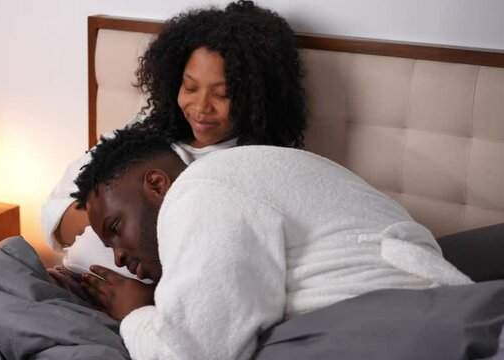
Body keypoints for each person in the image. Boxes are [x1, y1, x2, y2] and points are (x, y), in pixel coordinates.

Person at [75, 126, 472, 360]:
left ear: (158, 184)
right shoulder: (249, 173)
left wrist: (133, 314)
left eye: (115, 227)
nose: (120, 256)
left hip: (391, 328)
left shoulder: (198, 192)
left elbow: (194, 353)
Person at [41, 1, 306, 275]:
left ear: (257, 99)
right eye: (190, 87)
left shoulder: (253, 169)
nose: (201, 107)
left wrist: (117, 218)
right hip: (69, 282)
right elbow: (55, 213)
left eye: (222, 94)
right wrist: (116, 222)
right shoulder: (140, 133)